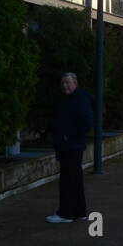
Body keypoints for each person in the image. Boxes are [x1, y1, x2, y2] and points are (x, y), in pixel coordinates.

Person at [47, 72, 93, 223]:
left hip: (72, 146)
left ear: (75, 83)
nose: (65, 86)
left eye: (67, 82)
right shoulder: (71, 99)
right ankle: (79, 211)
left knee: (68, 180)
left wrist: (68, 136)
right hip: (70, 145)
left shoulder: (79, 99)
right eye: (63, 83)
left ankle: (66, 214)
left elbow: (86, 123)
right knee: (75, 179)